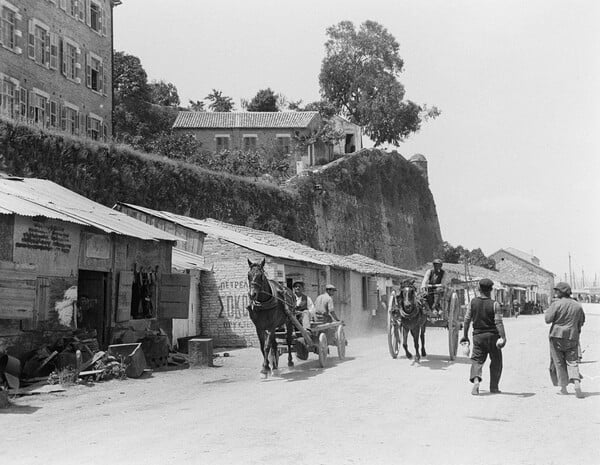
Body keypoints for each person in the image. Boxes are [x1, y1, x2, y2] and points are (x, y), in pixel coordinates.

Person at [460, 278, 506, 395]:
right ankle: (494, 387)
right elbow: (498, 322)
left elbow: (466, 320)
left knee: (477, 360)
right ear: (491, 290)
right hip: (493, 337)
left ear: (479, 289)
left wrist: (465, 336)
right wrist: (503, 337)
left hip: (478, 336)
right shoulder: (495, 304)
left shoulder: (473, 302)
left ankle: (476, 381)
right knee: (496, 361)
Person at [544, 282, 585, 398]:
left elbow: (547, 319)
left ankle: (563, 388)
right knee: (572, 361)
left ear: (562, 292)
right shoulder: (577, 305)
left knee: (558, 362)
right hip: (572, 336)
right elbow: (581, 321)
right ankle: (576, 382)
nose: (555, 292)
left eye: (557, 291)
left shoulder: (556, 304)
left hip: (556, 336)